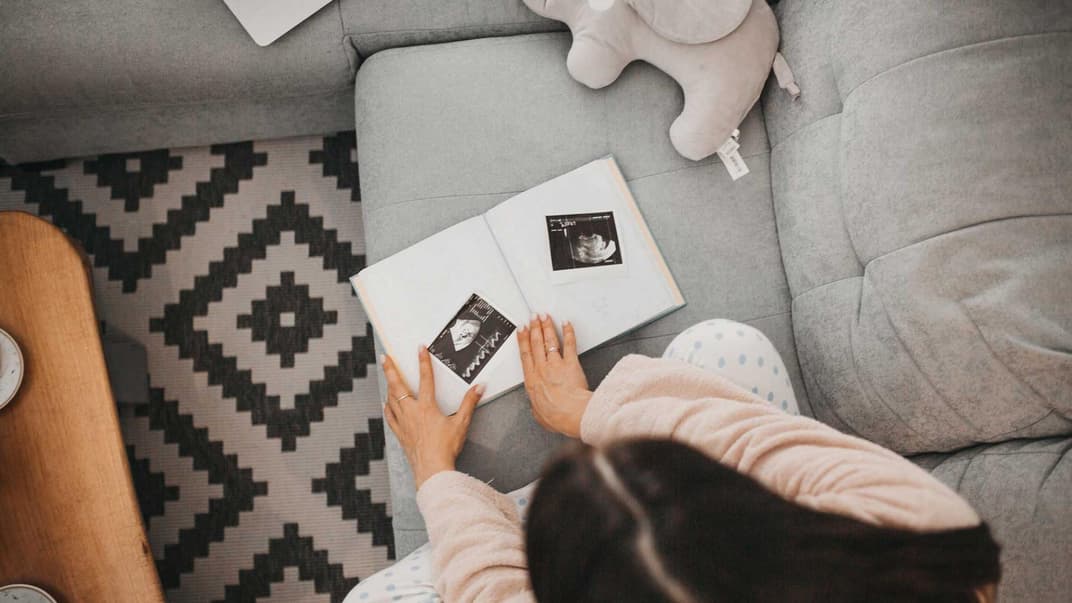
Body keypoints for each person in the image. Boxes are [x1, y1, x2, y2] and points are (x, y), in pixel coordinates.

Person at [347, 316, 1000, 602]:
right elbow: (742, 434)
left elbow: (493, 591)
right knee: (724, 349)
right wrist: (584, 410)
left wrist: (436, 474)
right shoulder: (919, 528)